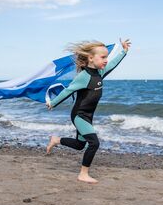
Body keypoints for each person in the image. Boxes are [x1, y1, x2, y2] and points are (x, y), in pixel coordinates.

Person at [46, 38, 131, 184]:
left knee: (80, 145)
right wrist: (53, 103)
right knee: (94, 143)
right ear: (91, 58)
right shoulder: (83, 77)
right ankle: (83, 174)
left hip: (88, 116)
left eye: (106, 57)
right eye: (103, 57)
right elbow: (68, 91)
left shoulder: (100, 73)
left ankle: (56, 140)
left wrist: (124, 52)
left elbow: (113, 64)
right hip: (79, 115)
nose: (106, 60)